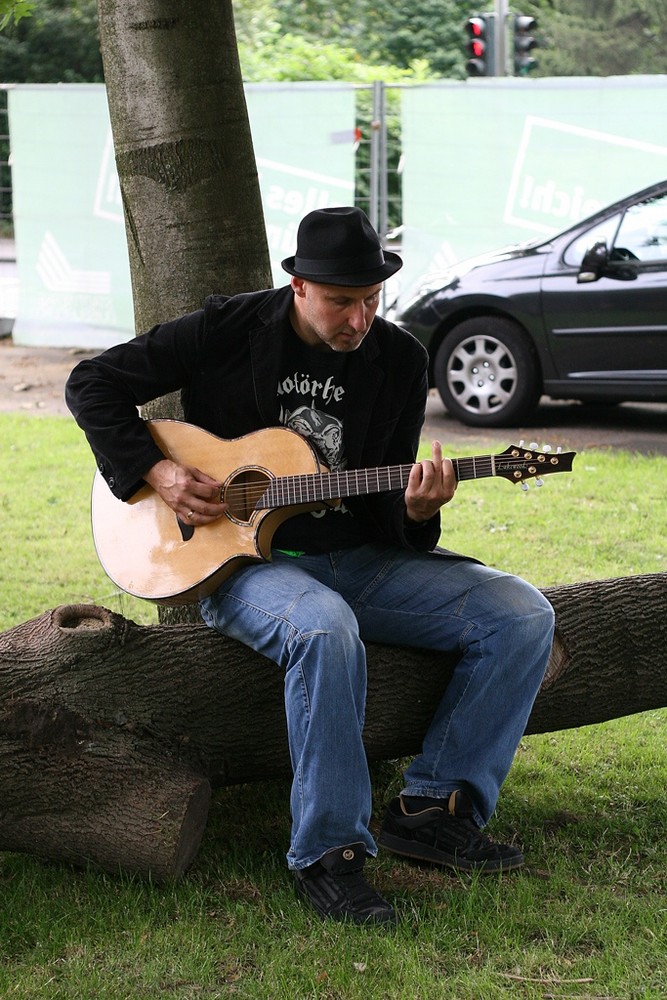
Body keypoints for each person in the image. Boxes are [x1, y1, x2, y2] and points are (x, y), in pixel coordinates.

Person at [66, 206, 555, 926]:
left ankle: (434, 809)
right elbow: (92, 384)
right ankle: (330, 855)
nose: (357, 319)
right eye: (339, 302)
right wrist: (158, 472)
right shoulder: (227, 328)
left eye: (369, 301)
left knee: (520, 614)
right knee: (323, 629)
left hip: (358, 556)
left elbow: (387, 505)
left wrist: (418, 513)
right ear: (297, 285)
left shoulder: (397, 360)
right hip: (235, 566)